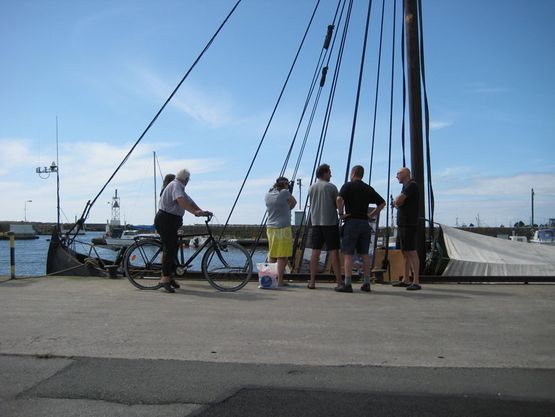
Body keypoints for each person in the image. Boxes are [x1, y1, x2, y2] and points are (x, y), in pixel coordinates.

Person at [154, 168, 211, 293]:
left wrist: (201, 211)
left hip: (171, 220)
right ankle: (164, 279)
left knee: (173, 248)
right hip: (166, 220)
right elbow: (181, 201)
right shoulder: (175, 185)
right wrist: (195, 212)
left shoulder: (179, 186)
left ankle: (170, 277)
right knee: (169, 249)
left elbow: (190, 201)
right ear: (186, 179)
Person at [336, 165, 385, 293]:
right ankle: (367, 283)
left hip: (351, 222)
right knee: (364, 254)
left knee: (348, 255)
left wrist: (341, 214)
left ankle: (347, 283)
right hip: (364, 223)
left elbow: (339, 199)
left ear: (352, 173)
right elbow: (382, 203)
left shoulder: (348, 186)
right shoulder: (367, 188)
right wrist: (371, 214)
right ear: (362, 174)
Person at [307, 164, 342, 289]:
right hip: (330, 223)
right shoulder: (331, 187)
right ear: (325, 173)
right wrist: (342, 213)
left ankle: (312, 282)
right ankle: (339, 282)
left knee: (315, 252)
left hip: (316, 223)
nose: (331, 175)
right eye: (330, 173)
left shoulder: (311, 188)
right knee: (334, 252)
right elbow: (338, 203)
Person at [392, 167, 421, 291]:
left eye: (398, 174)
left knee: (411, 251)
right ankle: (406, 279)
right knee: (404, 252)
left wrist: (396, 202)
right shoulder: (405, 187)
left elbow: (398, 200)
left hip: (408, 223)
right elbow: (399, 202)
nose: (396, 176)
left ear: (405, 174)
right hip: (403, 224)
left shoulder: (411, 185)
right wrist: (398, 202)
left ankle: (416, 281)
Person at [265, 176, 297, 286]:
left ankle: (271, 279)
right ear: (285, 184)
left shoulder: (268, 193)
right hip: (283, 227)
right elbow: (294, 202)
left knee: (272, 254)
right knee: (282, 256)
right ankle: (280, 281)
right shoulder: (284, 192)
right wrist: (288, 209)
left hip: (270, 227)